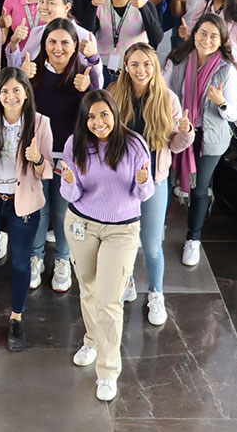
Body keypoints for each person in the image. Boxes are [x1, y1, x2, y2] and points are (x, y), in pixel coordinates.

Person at [58, 88, 154, 402]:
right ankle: (92, 340)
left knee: (109, 300)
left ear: (114, 113)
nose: (98, 122)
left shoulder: (134, 144)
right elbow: (70, 196)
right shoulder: (75, 144)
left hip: (122, 231)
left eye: (104, 114)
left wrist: (142, 180)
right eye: (92, 117)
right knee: (88, 288)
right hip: (82, 224)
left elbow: (144, 194)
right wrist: (70, 181)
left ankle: (108, 370)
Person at [0, 67, 52, 351]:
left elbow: (46, 170)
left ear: (26, 93)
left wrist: (37, 158)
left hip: (22, 201)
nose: (11, 96)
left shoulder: (39, 123)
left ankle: (16, 318)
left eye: (17, 90)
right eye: (5, 90)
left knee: (19, 262)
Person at [109, 43, 193, 328]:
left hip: (154, 181)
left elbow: (175, 144)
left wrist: (186, 133)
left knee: (152, 244)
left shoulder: (168, 99)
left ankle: (156, 293)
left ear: (155, 67)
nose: (140, 70)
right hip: (121, 182)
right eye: (134, 64)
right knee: (124, 240)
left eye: (146, 64)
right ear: (126, 66)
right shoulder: (114, 93)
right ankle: (128, 280)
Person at [22, 18, 103, 292]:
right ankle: (36, 257)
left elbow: (97, 118)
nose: (58, 48)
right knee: (39, 209)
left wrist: (87, 90)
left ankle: (63, 260)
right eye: (52, 42)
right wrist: (23, 80)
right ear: (44, 45)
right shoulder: (32, 72)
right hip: (37, 155)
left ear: (75, 46)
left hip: (69, 158)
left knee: (62, 211)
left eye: (65, 42)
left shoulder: (83, 74)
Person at [163, 14, 237, 266]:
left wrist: (222, 102)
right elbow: (163, 93)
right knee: (164, 179)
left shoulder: (226, 70)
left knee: (199, 189)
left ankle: (193, 238)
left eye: (213, 36)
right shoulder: (178, 59)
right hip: (177, 132)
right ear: (194, 33)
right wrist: (176, 123)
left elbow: (234, 114)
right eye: (203, 33)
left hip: (209, 138)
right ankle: (157, 227)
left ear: (221, 41)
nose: (206, 40)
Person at [85, 0, 162, 86]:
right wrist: (93, 6)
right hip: (103, 67)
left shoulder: (145, 4)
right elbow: (88, 32)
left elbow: (156, 38)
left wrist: (143, 8)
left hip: (133, 70)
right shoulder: (100, 3)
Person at [5, 0, 100, 69]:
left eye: (50, 3)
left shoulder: (84, 36)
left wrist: (93, 58)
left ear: (67, 7)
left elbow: (95, 82)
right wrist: (14, 42)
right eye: (41, 1)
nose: (43, 7)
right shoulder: (36, 32)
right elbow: (18, 69)